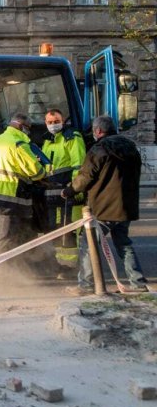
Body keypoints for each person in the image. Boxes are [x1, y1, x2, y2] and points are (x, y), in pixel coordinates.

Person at [62, 115, 148, 295]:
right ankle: (138, 283)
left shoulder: (99, 149)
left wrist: (70, 191)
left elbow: (86, 177)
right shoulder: (130, 147)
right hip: (125, 206)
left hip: (102, 207)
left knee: (89, 245)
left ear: (98, 131)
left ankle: (85, 285)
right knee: (124, 244)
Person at [0, 113, 47, 257]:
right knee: (6, 239)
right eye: (28, 128)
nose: (29, 131)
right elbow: (37, 171)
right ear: (21, 126)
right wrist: (43, 171)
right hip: (7, 199)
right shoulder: (19, 144)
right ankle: (3, 276)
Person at [41, 108, 86, 269]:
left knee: (69, 229)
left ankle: (72, 266)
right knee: (55, 229)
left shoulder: (72, 138)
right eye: (50, 122)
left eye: (56, 122)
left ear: (63, 121)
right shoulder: (47, 140)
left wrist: (75, 190)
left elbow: (79, 166)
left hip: (67, 193)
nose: (53, 125)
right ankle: (60, 264)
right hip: (52, 194)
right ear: (45, 123)